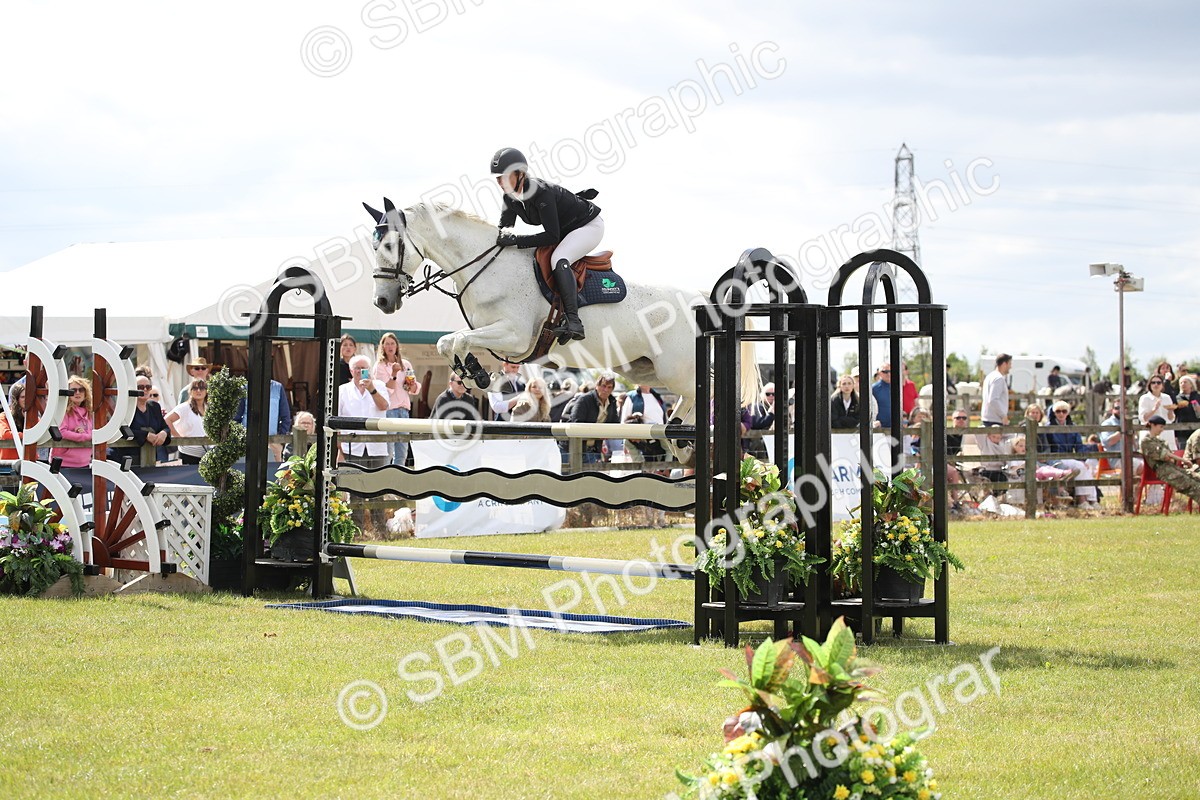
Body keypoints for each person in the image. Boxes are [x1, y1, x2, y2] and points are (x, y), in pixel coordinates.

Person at [491, 147, 603, 342]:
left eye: (505, 176)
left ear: (520, 174)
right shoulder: (510, 198)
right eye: (498, 177)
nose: (500, 182)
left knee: (559, 259)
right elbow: (503, 231)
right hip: (567, 229)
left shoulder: (540, 192)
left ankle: (574, 321)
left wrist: (517, 241)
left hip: (588, 226)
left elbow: (552, 236)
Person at [372, 332, 421, 467]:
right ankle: (386, 478)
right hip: (389, 411)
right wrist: (393, 374)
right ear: (382, 347)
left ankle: (397, 478)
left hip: (404, 410)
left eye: (392, 343)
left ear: (397, 346)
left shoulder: (405, 364)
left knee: (402, 451)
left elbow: (413, 389)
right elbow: (385, 390)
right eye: (387, 343)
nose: (390, 346)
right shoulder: (379, 366)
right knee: (388, 450)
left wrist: (412, 385)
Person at [1042, 400, 1100, 509]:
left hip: (1070, 457)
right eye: (1058, 411)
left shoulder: (1072, 426)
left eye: (1064, 411)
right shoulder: (1048, 427)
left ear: (1068, 413)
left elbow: (1079, 446)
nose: (1061, 414)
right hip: (1056, 458)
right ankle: (1082, 500)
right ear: (1054, 413)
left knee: (1087, 466)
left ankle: (1092, 500)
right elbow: (1047, 448)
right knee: (1080, 466)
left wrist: (1082, 459)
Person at [1140, 416, 1200, 504]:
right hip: (1162, 471)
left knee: (1196, 478)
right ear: (1153, 425)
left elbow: (1168, 456)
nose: (1162, 430)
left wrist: (1170, 457)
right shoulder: (1146, 441)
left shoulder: (1161, 441)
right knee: (1192, 485)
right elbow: (1165, 455)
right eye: (1161, 427)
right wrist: (1182, 459)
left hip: (1172, 467)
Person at [564, 372, 618, 463]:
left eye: (609, 387)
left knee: (591, 476)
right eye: (603, 386)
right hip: (572, 448)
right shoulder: (584, 400)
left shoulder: (612, 402)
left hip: (593, 449)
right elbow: (575, 423)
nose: (605, 390)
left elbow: (615, 423)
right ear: (597, 386)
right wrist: (598, 433)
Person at [234, 379, 293, 462]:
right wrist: (240, 439)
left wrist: (279, 440)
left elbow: (285, 417)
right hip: (247, 442)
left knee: (272, 472)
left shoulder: (278, 388)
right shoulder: (244, 388)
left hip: (272, 442)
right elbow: (236, 417)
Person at [122, 374, 171, 466]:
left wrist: (164, 433)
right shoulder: (125, 407)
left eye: (148, 387)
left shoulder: (154, 406)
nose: (144, 389)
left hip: (151, 458)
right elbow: (122, 430)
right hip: (128, 457)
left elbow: (165, 427)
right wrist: (145, 435)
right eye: (140, 387)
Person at [50, 376, 93, 468]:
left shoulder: (90, 412)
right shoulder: (62, 411)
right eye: (73, 390)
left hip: (84, 463)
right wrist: (84, 436)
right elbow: (61, 432)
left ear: (86, 393)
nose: (77, 393)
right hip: (63, 463)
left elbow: (96, 431)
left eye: (81, 390)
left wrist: (85, 434)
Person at [165, 379, 209, 465]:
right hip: (188, 453)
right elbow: (167, 420)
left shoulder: (208, 407)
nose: (198, 390)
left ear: (206, 391)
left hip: (206, 453)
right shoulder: (184, 407)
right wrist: (178, 438)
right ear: (190, 391)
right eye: (195, 388)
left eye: (202, 388)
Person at [620, 383, 667, 462]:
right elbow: (624, 422)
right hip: (641, 444)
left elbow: (663, 418)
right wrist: (625, 444)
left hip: (660, 442)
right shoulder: (632, 397)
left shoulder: (657, 397)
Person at [1098, 402, 1142, 477]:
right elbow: (1106, 442)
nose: (1120, 410)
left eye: (1123, 408)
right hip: (1117, 459)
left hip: (1133, 456)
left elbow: (1136, 445)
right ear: (1112, 410)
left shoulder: (1128, 423)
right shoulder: (1107, 423)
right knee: (1142, 467)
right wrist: (1123, 431)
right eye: (1117, 408)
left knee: (1152, 465)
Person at [1138, 374, 1178, 449]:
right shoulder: (1145, 398)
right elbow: (1143, 418)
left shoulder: (1167, 397)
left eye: (1159, 382)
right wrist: (1154, 409)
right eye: (1153, 382)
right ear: (1149, 385)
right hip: (1151, 434)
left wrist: (1170, 410)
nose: (1156, 384)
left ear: (1162, 385)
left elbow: (1171, 419)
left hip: (1166, 432)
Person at [981, 353, 1012, 427]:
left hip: (988, 418)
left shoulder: (990, 376)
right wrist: (1003, 415)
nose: (1011, 367)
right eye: (1010, 364)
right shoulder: (999, 378)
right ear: (1004, 364)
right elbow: (993, 399)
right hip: (995, 420)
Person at [1172, 375, 1200, 443]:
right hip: (1181, 430)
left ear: (1191, 384)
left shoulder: (1198, 396)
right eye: (1181, 383)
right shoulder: (1177, 398)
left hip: (1197, 429)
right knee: (1182, 451)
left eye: (1185, 382)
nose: (1183, 384)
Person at [0, 383, 25, 460]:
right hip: (9, 461)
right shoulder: (4, 416)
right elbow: (5, 434)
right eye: (23, 397)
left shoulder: (31, 416)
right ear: (16, 399)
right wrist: (25, 435)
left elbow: (39, 433)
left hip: (28, 460)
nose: (26, 399)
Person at [870, 362, 893, 428]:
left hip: (896, 426)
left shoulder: (898, 386)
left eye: (890, 371)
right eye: (885, 371)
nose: (888, 374)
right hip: (880, 427)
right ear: (879, 373)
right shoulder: (874, 388)